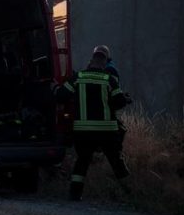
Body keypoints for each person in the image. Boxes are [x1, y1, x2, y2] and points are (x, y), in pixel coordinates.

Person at [54, 50, 129, 201]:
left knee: (82, 162)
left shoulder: (78, 77)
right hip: (107, 131)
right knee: (116, 162)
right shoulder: (109, 79)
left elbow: (61, 96)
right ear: (104, 63)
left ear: (91, 61)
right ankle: (132, 193)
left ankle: (74, 195)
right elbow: (120, 102)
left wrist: (56, 88)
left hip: (83, 131)